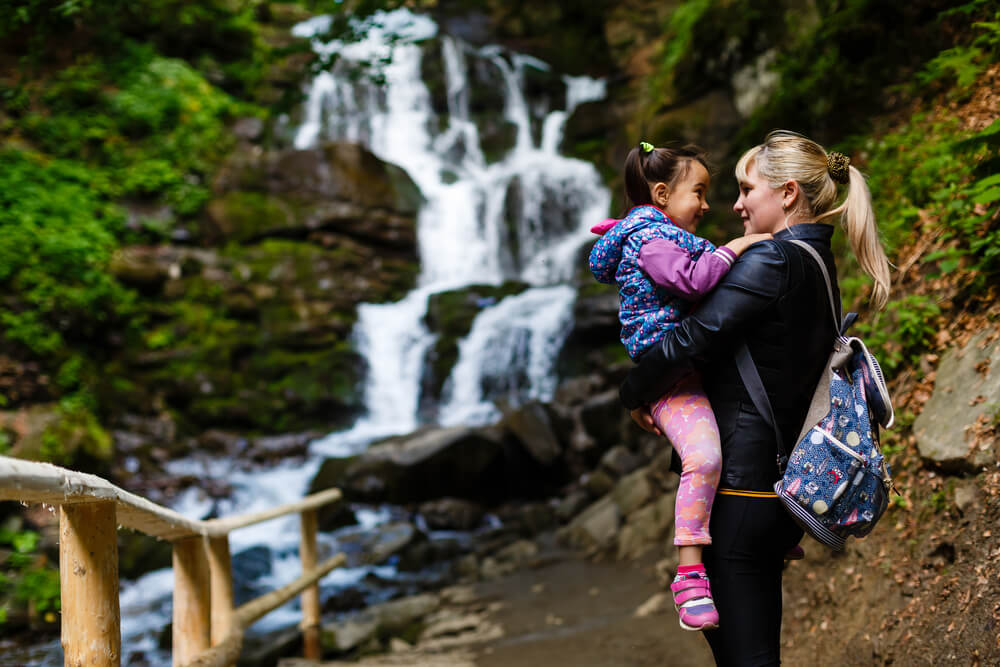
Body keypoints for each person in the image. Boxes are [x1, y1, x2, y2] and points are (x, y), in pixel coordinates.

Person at [618, 130, 891, 665]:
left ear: (787, 193)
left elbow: (691, 340)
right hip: (777, 486)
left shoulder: (773, 262)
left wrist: (633, 394)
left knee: (746, 657)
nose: (736, 204)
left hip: (741, 488)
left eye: (747, 189)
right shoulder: (814, 261)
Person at [589, 141, 771, 631]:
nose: (708, 204)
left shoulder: (649, 233)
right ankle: (688, 574)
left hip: (690, 366)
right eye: (699, 192)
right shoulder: (652, 241)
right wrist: (736, 247)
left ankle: (773, 522)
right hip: (670, 373)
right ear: (663, 194)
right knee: (705, 456)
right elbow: (691, 283)